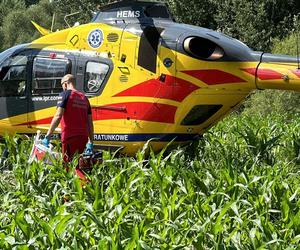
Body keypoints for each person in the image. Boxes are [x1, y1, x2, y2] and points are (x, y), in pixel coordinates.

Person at [42, 74, 94, 165]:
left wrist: (48, 136)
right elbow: (90, 123)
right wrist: (91, 142)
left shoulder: (65, 94)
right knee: (79, 165)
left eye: (62, 86)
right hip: (83, 138)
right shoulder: (85, 98)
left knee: (67, 166)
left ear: (65, 84)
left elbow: (58, 116)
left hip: (69, 137)